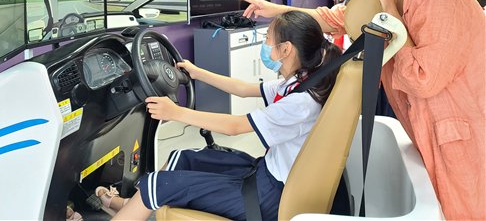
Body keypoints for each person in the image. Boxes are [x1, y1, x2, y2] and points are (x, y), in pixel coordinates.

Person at [241, 0, 485, 220]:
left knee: (465, 210)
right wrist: (277, 10)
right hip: (426, 126)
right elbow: (336, 18)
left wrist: (390, 12)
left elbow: (422, 79)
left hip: (458, 134)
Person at [94, 11, 342, 221]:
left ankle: (132, 208)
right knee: (183, 158)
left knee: (159, 184)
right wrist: (197, 72)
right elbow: (243, 89)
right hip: (267, 171)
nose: (265, 45)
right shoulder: (299, 81)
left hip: (270, 195)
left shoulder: (300, 102)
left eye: (267, 39)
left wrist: (177, 113)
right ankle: (128, 206)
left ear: (285, 49)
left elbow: (235, 126)